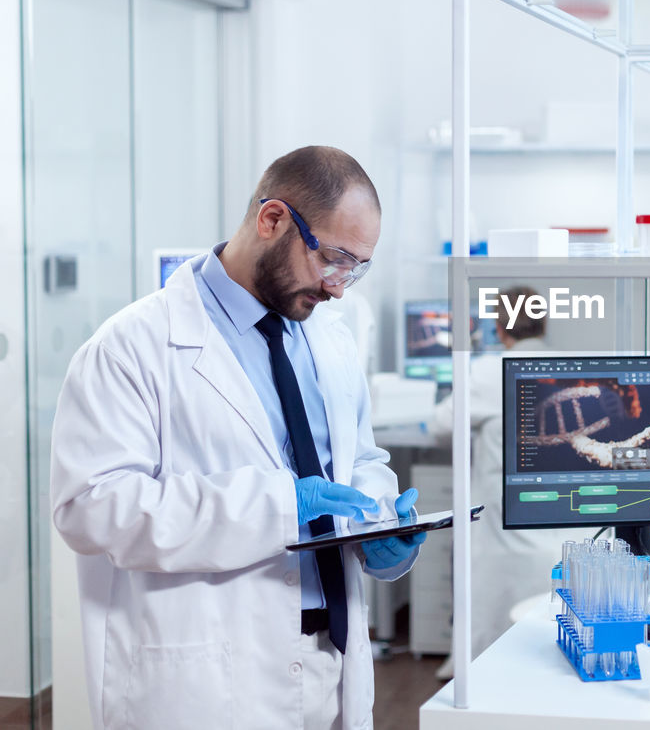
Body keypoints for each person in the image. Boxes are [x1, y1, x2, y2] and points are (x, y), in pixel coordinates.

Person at [50, 146, 424, 730]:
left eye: (356, 268)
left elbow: (360, 457)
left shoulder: (329, 337)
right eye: (333, 258)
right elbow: (89, 509)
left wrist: (381, 525)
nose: (339, 288)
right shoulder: (131, 346)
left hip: (329, 660)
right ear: (272, 219)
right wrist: (278, 506)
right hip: (205, 678)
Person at [430, 287, 577, 675]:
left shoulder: (488, 370)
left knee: (494, 659)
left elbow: (439, 426)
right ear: (543, 322)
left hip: (506, 544)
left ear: (499, 327)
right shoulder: (573, 365)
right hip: (566, 537)